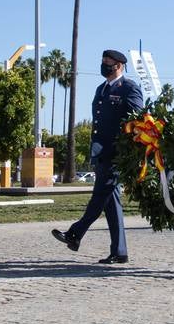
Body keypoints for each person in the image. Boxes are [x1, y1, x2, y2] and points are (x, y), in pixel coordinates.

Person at [51, 49, 145, 264]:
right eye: (103, 62)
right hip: (102, 153)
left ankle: (75, 234)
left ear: (119, 66)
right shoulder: (101, 89)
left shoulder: (129, 88)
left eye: (109, 63)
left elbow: (138, 119)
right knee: (111, 202)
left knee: (100, 195)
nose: (104, 66)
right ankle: (119, 251)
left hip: (118, 155)